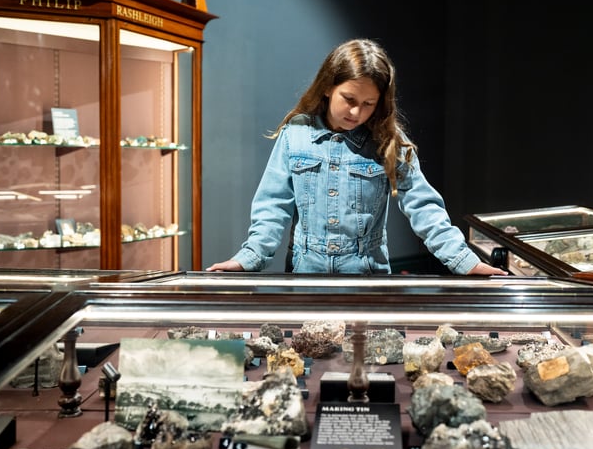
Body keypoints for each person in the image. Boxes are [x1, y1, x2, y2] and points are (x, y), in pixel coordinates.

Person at [207, 38, 506, 276]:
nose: (356, 112)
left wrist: (464, 261)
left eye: (368, 104)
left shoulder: (389, 142)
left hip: (368, 277)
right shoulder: (295, 134)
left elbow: (424, 208)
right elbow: (272, 208)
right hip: (305, 278)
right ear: (327, 87)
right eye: (349, 99)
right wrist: (248, 259)